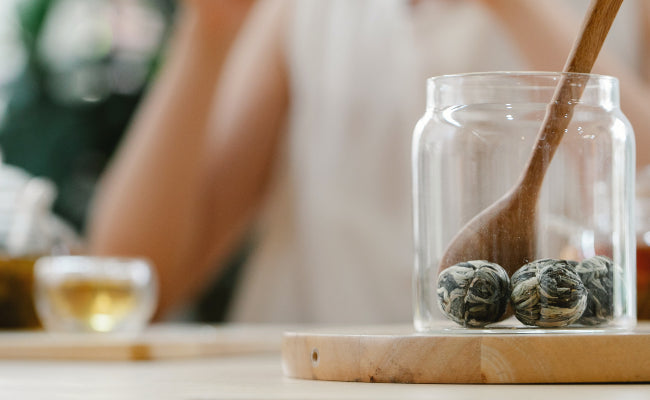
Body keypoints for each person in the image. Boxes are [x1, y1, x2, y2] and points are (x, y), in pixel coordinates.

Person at [87, 0, 650, 323]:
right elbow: (134, 276)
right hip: (317, 378)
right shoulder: (306, 12)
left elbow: (640, 185)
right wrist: (208, 33)